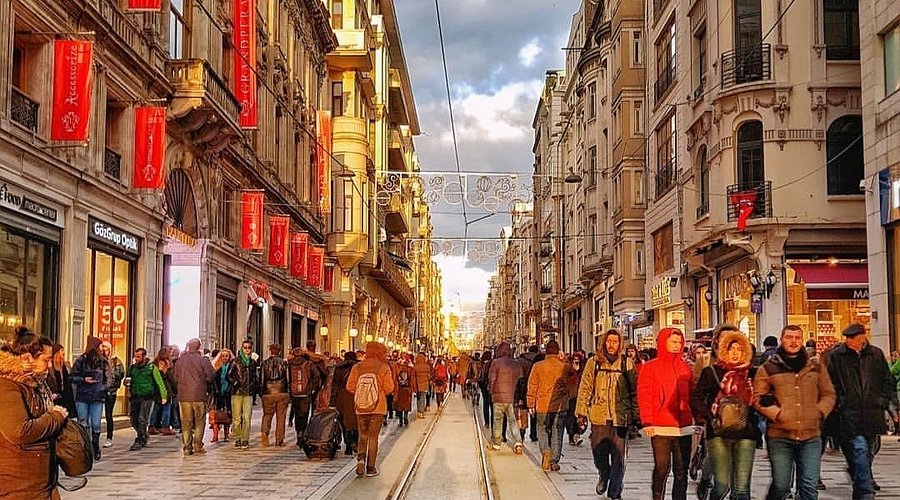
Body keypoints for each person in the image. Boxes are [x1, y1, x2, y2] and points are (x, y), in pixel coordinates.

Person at [754, 324, 835, 500]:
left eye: (797, 338)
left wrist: (819, 412)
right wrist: (777, 414)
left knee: (809, 485)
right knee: (781, 485)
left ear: (802, 341)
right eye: (789, 337)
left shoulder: (815, 367)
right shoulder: (768, 368)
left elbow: (828, 393)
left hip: (811, 435)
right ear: (782, 340)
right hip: (780, 436)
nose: (793, 341)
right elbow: (758, 398)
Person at [823, 323, 892, 500]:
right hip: (849, 412)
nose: (848, 341)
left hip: (872, 411)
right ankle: (865, 492)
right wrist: (841, 401)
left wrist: (882, 401)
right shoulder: (838, 355)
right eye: (847, 338)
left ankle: (860, 480)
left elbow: (886, 379)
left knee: (870, 451)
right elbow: (831, 381)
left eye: (851, 338)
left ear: (861, 338)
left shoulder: (875, 354)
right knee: (859, 449)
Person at [0, 326, 69, 499]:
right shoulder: (7, 386)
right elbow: (19, 431)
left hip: (39, 483)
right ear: (27, 358)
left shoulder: (35, 384)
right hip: (18, 485)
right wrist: (56, 417)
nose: (50, 365)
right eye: (46, 360)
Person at [691, 329, 758, 500]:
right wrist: (710, 416)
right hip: (718, 433)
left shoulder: (752, 373)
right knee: (721, 486)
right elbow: (696, 398)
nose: (735, 353)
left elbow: (762, 398)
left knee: (741, 489)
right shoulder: (711, 372)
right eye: (731, 349)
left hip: (746, 432)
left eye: (739, 349)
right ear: (723, 351)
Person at [576, 329, 638, 499]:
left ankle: (615, 492)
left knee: (619, 456)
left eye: (615, 341)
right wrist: (581, 413)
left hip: (621, 417)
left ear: (620, 344)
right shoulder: (593, 363)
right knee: (599, 453)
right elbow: (585, 388)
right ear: (603, 342)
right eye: (609, 341)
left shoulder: (627, 364)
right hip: (599, 415)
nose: (612, 345)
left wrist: (636, 417)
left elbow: (635, 391)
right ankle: (604, 474)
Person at [637, 328, 695, 500]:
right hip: (660, 426)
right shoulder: (650, 367)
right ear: (664, 342)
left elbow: (692, 395)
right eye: (673, 342)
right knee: (662, 467)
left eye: (679, 342)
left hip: (683, 426)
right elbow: (644, 395)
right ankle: (657, 496)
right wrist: (647, 421)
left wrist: (698, 419)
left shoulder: (685, 368)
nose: (677, 346)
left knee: (681, 469)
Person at [347, 341, 395, 478]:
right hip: (378, 407)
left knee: (363, 435)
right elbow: (389, 388)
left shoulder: (358, 367)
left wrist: (363, 392)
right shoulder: (383, 367)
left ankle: (360, 459)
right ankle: (371, 467)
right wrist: (377, 392)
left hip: (361, 407)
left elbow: (350, 386)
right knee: (373, 437)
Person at [527, 340, 573, 471]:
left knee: (541, 429)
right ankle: (554, 461)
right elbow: (574, 375)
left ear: (545, 351)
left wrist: (530, 403)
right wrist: (564, 360)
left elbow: (532, 385)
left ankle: (546, 452)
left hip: (542, 404)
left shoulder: (538, 366)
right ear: (558, 351)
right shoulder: (564, 366)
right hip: (560, 406)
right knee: (557, 432)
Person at [170, 338, 215, 456]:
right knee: (200, 421)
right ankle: (198, 445)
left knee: (186, 423)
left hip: (184, 396)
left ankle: (186, 447)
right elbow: (210, 376)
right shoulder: (203, 360)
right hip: (199, 395)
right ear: (199, 347)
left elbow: (174, 377)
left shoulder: (180, 361)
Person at [70, 335, 110, 460]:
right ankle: (85, 447)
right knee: (83, 423)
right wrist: (83, 379)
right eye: (99, 346)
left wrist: (103, 387)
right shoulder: (81, 360)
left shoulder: (103, 361)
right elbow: (71, 377)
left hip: (97, 397)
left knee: (96, 424)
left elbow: (109, 376)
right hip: (83, 396)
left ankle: (95, 445)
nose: (101, 348)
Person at [125, 347, 168, 451]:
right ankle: (143, 435)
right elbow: (127, 380)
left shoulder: (151, 368)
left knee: (142, 418)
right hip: (135, 396)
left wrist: (164, 396)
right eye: (135, 356)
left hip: (147, 397)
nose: (136, 359)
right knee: (133, 419)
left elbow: (160, 382)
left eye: (138, 356)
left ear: (144, 356)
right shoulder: (132, 368)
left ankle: (140, 439)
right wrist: (128, 389)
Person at [488, 341, 524, 453]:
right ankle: (518, 442)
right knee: (513, 421)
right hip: (512, 397)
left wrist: (491, 390)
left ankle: (496, 444)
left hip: (498, 397)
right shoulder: (516, 363)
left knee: (497, 420)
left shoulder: (496, 363)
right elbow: (521, 379)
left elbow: (492, 379)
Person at [287, 345, 325, 445]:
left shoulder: (290, 364)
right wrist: (313, 389)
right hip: (305, 393)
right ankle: (302, 432)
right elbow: (316, 375)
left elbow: (288, 378)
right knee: (304, 414)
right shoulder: (308, 364)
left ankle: (298, 432)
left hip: (294, 393)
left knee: (297, 414)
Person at [228, 339, 259, 450]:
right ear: (242, 348)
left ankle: (245, 439)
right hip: (237, 392)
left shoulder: (253, 362)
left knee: (247, 417)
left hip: (248, 393)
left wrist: (255, 388)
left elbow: (255, 377)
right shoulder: (236, 361)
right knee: (236, 418)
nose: (247, 350)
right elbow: (229, 375)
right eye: (245, 347)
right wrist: (235, 383)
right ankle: (237, 438)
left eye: (249, 348)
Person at [259, 343, 290, 447]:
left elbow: (261, 380)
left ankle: (264, 434)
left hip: (268, 393)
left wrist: (262, 393)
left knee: (267, 415)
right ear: (279, 351)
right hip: (281, 392)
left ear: (270, 351)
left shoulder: (264, 363)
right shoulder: (284, 363)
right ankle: (279, 440)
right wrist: (288, 392)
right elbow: (288, 379)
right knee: (281, 417)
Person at [331, 351, 359, 454]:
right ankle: (355, 441)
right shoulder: (358, 368)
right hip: (356, 395)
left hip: (342, 396)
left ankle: (348, 445)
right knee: (356, 420)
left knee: (344, 421)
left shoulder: (339, 368)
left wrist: (332, 401)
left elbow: (334, 386)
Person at [99, 341, 125, 448]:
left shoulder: (115, 361)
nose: (104, 351)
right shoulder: (99, 361)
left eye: (106, 349)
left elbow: (121, 374)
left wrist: (110, 374)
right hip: (100, 391)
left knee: (109, 414)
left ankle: (109, 437)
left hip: (111, 391)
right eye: (102, 350)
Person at [148, 347, 175, 436]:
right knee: (166, 408)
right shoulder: (166, 363)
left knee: (156, 408)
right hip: (165, 388)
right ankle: (165, 426)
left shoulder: (154, 363)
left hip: (156, 389)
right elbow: (169, 377)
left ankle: (152, 426)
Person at [519, 345, 543, 442]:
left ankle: (522, 431)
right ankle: (534, 434)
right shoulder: (539, 359)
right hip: (537, 389)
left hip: (524, 388)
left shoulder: (521, 360)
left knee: (524, 410)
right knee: (534, 413)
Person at [210, 349, 234, 443]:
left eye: (226, 356)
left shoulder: (231, 367)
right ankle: (215, 435)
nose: (224, 358)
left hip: (228, 393)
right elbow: (213, 380)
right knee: (216, 414)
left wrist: (230, 389)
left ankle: (226, 434)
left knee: (227, 414)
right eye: (223, 356)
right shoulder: (216, 367)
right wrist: (215, 390)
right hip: (217, 393)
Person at [47, 343, 76, 417]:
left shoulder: (66, 365)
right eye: (62, 350)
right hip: (55, 398)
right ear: (57, 352)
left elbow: (69, 381)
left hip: (66, 398)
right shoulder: (51, 367)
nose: (64, 352)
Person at [565, 351, 586, 446]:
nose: (576, 361)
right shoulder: (568, 369)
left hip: (581, 397)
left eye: (578, 360)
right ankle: (572, 435)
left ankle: (578, 434)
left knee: (580, 417)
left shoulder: (583, 370)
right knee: (571, 418)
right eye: (574, 360)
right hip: (571, 397)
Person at [393, 354, 415, 427]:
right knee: (406, 405)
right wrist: (412, 388)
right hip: (407, 389)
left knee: (399, 406)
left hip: (399, 389)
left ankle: (401, 420)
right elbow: (412, 380)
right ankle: (405, 417)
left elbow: (395, 379)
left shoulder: (398, 369)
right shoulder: (410, 369)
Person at [413, 352, 432, 419]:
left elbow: (413, 376)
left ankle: (418, 411)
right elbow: (429, 376)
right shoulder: (427, 367)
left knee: (418, 398)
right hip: (424, 384)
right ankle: (421, 411)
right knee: (423, 398)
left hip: (417, 384)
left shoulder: (415, 367)